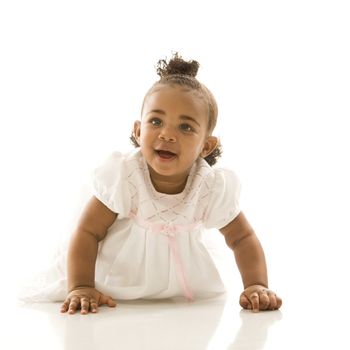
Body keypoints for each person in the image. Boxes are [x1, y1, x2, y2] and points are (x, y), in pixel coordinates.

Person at [26, 53, 282, 314]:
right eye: (156, 121)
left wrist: (256, 285)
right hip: (118, 284)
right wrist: (80, 286)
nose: (167, 134)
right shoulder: (125, 177)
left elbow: (242, 237)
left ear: (206, 145)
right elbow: (87, 232)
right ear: (138, 131)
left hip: (182, 296)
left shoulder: (210, 186)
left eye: (185, 127)